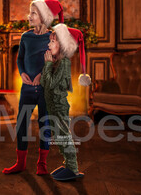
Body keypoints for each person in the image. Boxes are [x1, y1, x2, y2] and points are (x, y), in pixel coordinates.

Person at [2, 0, 64, 175]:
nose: (29, 16)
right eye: (30, 12)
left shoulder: (53, 38)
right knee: (21, 123)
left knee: (45, 123)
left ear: (44, 17)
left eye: (34, 13)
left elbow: (58, 63)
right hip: (27, 88)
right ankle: (20, 163)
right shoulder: (25, 37)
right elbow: (20, 58)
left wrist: (42, 74)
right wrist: (22, 72)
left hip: (45, 89)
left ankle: (42, 164)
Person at [40, 23, 91, 181]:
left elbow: (51, 83)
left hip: (59, 106)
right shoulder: (55, 62)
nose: (49, 44)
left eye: (52, 42)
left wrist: (48, 64)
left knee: (64, 136)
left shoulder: (64, 63)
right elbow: (44, 82)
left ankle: (73, 168)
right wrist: (47, 65)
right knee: (58, 136)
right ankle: (67, 164)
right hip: (52, 105)